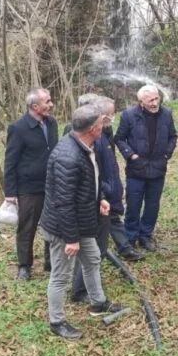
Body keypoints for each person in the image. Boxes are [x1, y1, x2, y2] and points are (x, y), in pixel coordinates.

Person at [40, 104, 125, 339]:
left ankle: (98, 302)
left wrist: (100, 200)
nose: (104, 127)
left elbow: (87, 184)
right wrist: (71, 239)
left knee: (93, 259)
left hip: (83, 220)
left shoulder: (87, 145)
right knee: (61, 276)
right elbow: (63, 203)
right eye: (101, 124)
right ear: (92, 128)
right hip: (64, 228)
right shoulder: (67, 157)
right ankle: (56, 322)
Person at [70, 94, 143, 305]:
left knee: (99, 247)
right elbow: (92, 173)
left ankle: (89, 284)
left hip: (106, 197)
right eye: (110, 114)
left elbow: (109, 166)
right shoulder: (92, 140)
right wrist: (106, 191)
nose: (113, 117)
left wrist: (115, 187)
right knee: (91, 248)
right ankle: (79, 289)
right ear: (99, 116)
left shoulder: (104, 135)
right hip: (98, 200)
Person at [114, 85, 178, 252]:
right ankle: (130, 237)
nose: (155, 103)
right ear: (141, 101)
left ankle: (146, 236)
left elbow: (173, 136)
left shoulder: (166, 114)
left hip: (158, 168)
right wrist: (130, 155)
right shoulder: (128, 116)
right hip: (136, 169)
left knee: (152, 205)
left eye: (157, 98)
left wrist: (167, 154)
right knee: (133, 204)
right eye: (151, 100)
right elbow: (119, 139)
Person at [4, 88, 58, 281]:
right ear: (35, 106)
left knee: (52, 225)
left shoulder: (52, 123)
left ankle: (50, 261)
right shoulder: (18, 128)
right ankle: (24, 266)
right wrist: (10, 192)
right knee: (27, 228)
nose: (51, 105)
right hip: (28, 188)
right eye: (47, 102)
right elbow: (10, 161)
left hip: (50, 184)